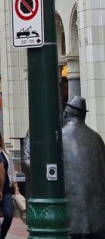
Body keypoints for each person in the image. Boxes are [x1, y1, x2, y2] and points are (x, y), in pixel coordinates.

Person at [60, 96, 105, 239]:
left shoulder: (59, 137)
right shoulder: (97, 137)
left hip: (70, 216)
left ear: (66, 113)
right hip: (97, 217)